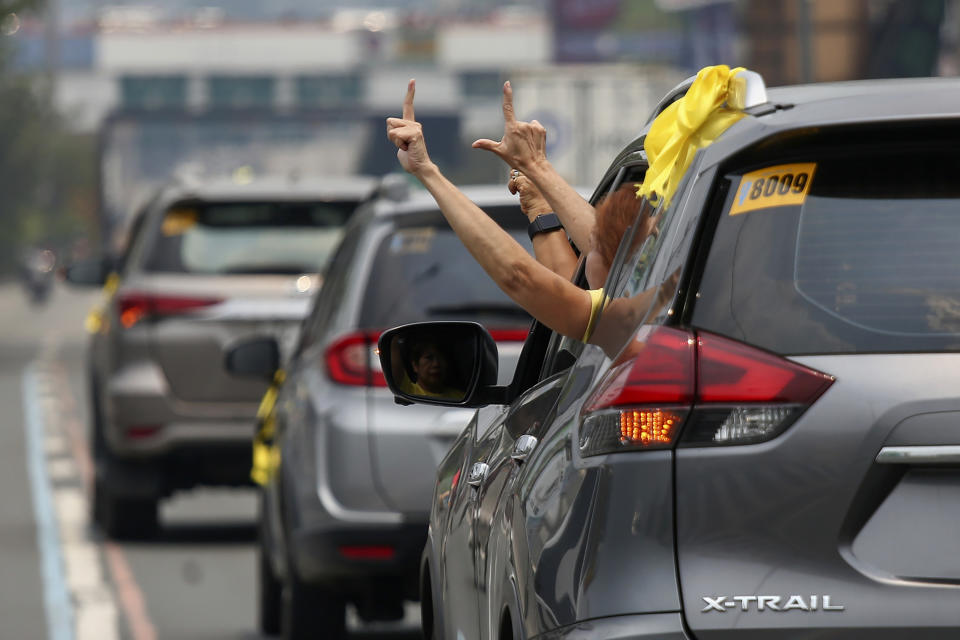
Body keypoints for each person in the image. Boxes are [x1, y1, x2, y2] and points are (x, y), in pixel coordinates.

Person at [386, 79, 665, 355]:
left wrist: (427, 172)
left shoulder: (632, 322)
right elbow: (570, 283)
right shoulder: (658, 300)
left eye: (587, 250)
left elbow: (522, 277)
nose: (590, 246)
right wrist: (536, 177)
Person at [391, 333, 464, 400]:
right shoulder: (407, 390)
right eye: (429, 358)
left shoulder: (460, 397)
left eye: (440, 358)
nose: (436, 364)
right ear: (415, 366)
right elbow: (393, 346)